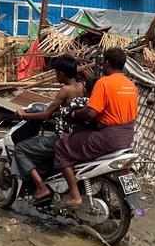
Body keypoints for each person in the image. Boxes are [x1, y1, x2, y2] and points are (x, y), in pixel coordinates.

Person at [53, 48, 138, 209]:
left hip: (108, 136)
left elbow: (91, 112)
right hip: (127, 136)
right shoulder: (131, 86)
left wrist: (72, 115)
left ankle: (74, 195)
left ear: (107, 63)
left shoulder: (104, 82)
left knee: (62, 145)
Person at [14, 55, 85, 204]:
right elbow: (68, 109)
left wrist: (24, 114)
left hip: (62, 138)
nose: (55, 75)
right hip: (77, 135)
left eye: (56, 72)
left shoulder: (65, 90)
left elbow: (46, 114)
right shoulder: (81, 87)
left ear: (62, 73)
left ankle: (41, 187)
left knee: (20, 149)